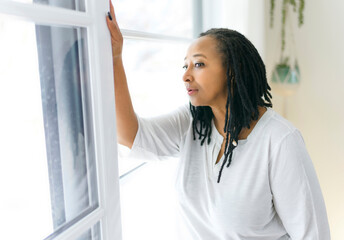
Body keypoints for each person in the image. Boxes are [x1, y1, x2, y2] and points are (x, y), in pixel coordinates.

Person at [106, 2, 331, 239]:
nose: (185, 75)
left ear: (233, 70)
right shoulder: (192, 122)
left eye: (199, 64)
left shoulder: (280, 141)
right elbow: (130, 135)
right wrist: (115, 57)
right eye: (186, 65)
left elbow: (312, 233)